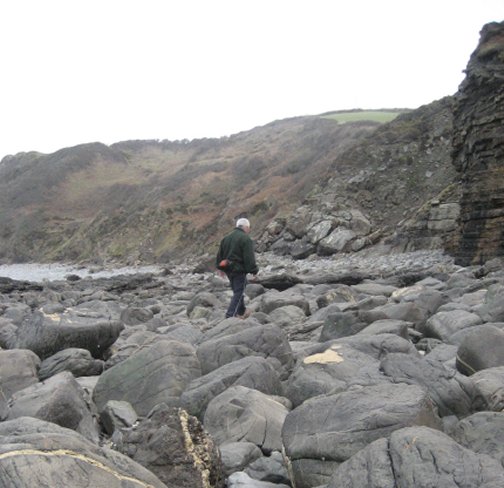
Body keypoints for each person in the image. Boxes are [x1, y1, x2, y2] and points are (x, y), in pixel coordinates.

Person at [216, 217, 259, 318]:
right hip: (238, 269)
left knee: (237, 291)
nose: (249, 230)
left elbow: (219, 255)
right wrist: (253, 270)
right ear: (246, 227)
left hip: (228, 269)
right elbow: (249, 257)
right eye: (249, 228)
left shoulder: (226, 238)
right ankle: (230, 315)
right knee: (239, 292)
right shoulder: (245, 238)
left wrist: (220, 268)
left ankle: (241, 311)